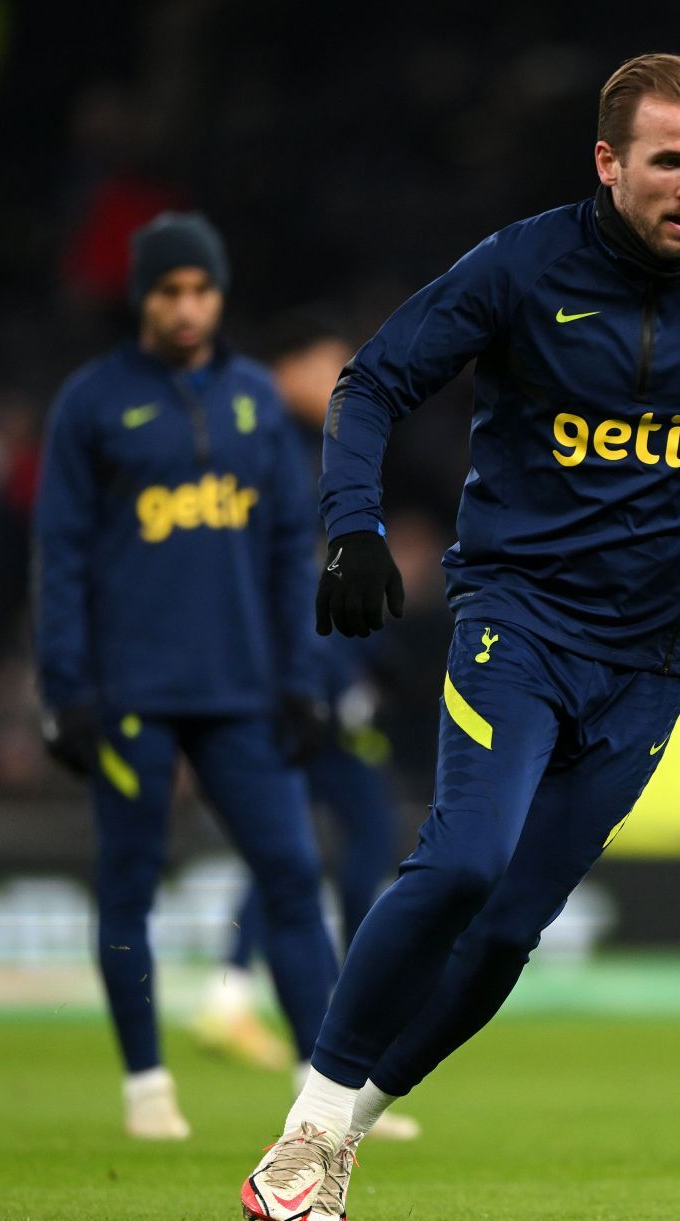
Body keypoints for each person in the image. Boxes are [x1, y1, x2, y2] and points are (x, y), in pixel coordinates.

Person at [240, 53, 680, 1221]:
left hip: (652, 664)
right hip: (516, 620)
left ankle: (352, 1127)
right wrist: (353, 529)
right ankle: (308, 1122)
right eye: (669, 160)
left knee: (513, 925)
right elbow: (370, 384)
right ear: (608, 161)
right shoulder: (522, 266)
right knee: (464, 861)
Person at [33, 212, 339, 1140]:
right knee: (129, 882)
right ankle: (146, 1086)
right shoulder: (91, 406)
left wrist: (303, 673)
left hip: (245, 689)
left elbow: (294, 547)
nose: (187, 307)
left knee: (291, 874)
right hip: (134, 694)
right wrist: (66, 687)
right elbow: (61, 554)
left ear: (219, 294)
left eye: (201, 290)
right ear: (142, 297)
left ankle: (324, 1096)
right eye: (170, 290)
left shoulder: (253, 398)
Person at [191, 316, 418, 1140]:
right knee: (350, 839)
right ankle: (343, 1040)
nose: (338, 382)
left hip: (302, 675)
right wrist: (326, 681)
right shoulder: (268, 437)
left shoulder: (287, 443)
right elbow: (284, 578)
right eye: (329, 364)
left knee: (298, 849)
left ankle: (249, 1002)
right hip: (294, 682)